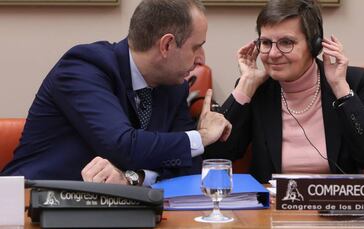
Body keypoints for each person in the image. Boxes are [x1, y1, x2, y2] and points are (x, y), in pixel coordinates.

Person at [1, 0, 232, 186]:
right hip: (33, 205)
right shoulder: (84, 67)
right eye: (196, 46)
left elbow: (186, 167)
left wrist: (134, 179)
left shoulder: (175, 87)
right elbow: (123, 145)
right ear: (167, 45)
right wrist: (201, 136)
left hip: (118, 212)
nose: (201, 58)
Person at [205, 0, 364, 183]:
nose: (273, 54)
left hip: (334, 206)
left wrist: (341, 89)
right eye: (266, 42)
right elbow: (217, 155)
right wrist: (245, 85)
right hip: (272, 208)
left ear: (313, 45)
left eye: (286, 42)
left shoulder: (353, 82)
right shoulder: (258, 89)